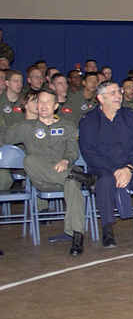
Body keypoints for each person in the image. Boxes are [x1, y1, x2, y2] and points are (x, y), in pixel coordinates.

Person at [0, 89, 96, 256]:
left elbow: (73, 151)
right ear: (36, 105)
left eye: (48, 102)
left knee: (72, 185)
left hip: (64, 172)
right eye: (40, 102)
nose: (43, 106)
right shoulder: (25, 127)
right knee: (28, 160)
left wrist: (65, 160)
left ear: (56, 106)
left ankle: (77, 236)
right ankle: (80, 177)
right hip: (42, 179)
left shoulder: (66, 126)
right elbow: (3, 138)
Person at [79, 80, 133, 247]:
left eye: (119, 92)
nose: (118, 96)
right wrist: (115, 170)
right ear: (100, 98)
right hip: (102, 168)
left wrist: (128, 167)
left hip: (129, 166)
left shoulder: (131, 116)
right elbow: (88, 151)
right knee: (105, 181)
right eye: (113, 93)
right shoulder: (88, 120)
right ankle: (108, 231)